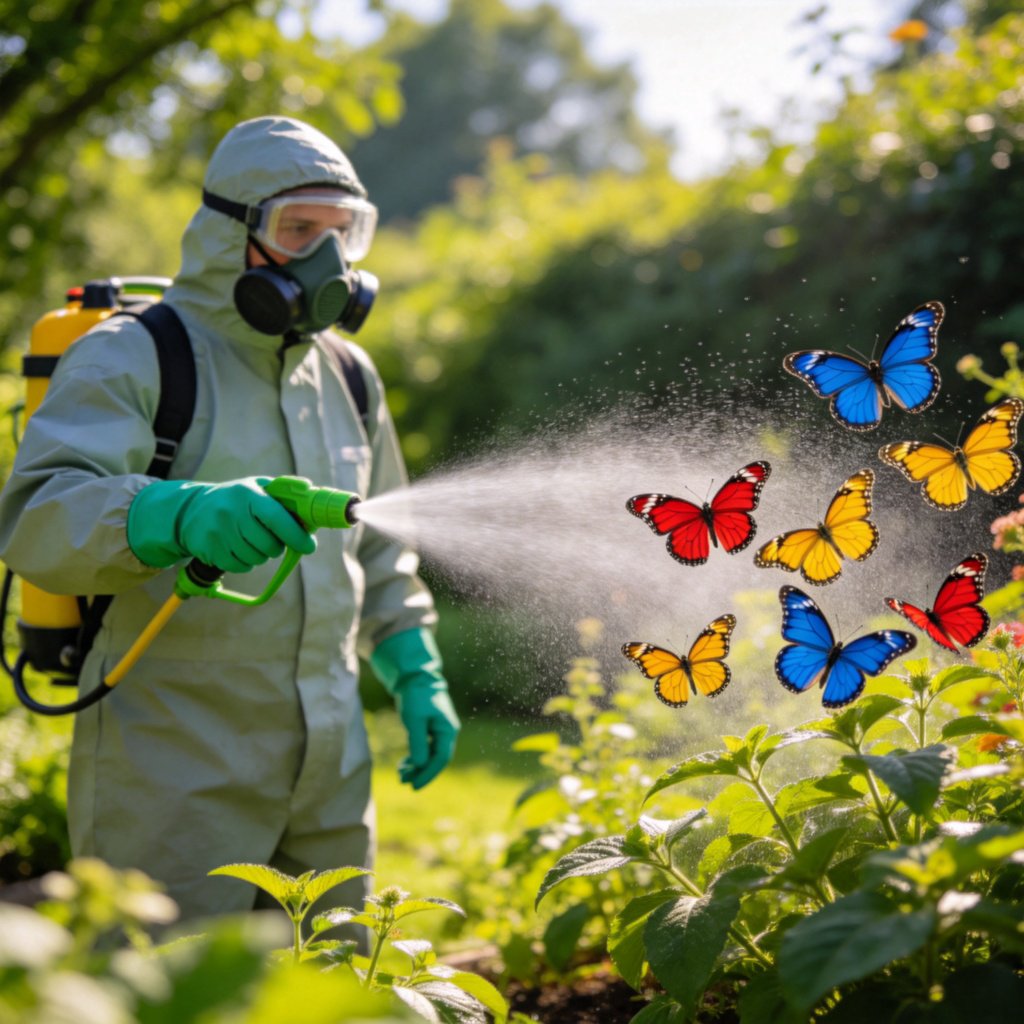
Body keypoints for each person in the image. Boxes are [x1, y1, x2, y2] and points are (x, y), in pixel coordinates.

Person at [0, 115, 461, 933]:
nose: (327, 258)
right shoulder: (135, 355)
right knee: (157, 990)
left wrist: (415, 666)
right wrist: (176, 513)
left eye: (341, 232)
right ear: (230, 232)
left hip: (331, 771)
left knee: (329, 986)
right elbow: (37, 517)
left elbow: (382, 542)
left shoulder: (351, 375)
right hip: (170, 773)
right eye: (297, 229)